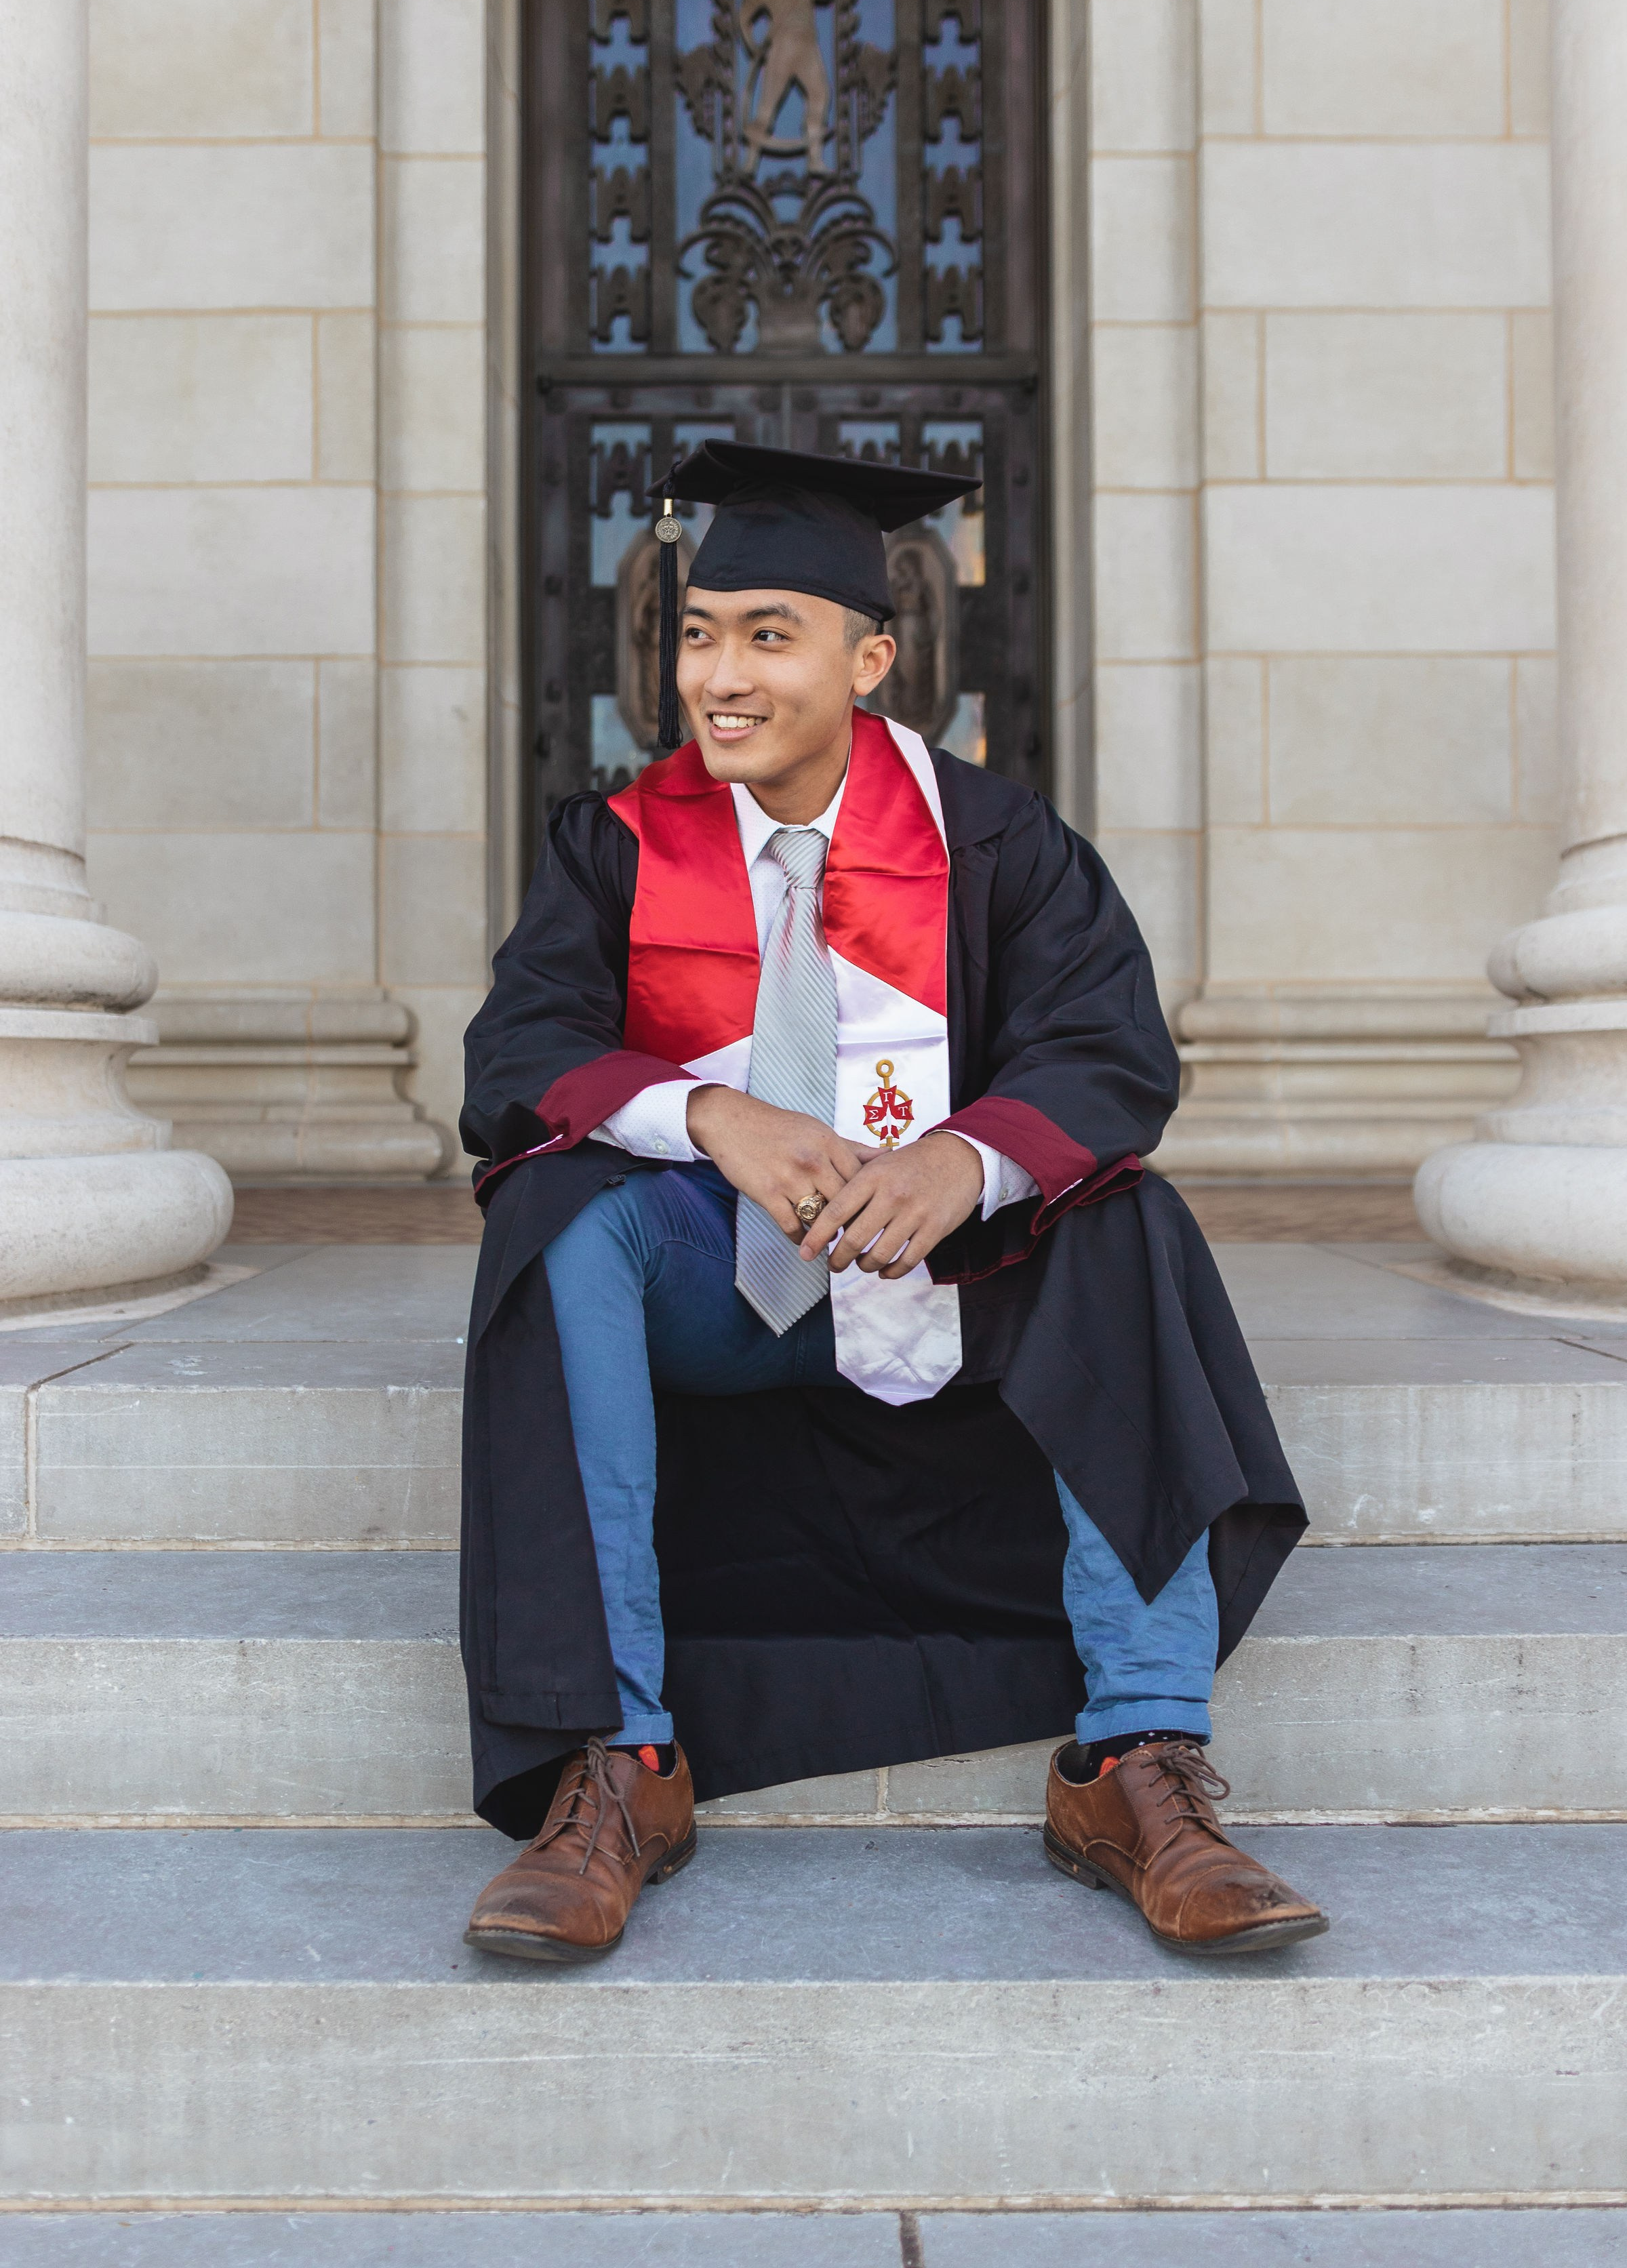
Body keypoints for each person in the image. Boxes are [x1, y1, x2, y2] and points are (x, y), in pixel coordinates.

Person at [458, 440, 1327, 1966]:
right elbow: (518, 1055)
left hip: (953, 1295)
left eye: (767, 635)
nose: (719, 675)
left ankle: (1137, 1762)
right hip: (718, 1292)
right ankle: (616, 1763)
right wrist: (709, 1114)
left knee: (1126, 1216)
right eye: (698, 631)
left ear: (871, 657)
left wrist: (967, 1158)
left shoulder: (998, 845)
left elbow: (1110, 1052)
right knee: (563, 1221)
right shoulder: (614, 849)